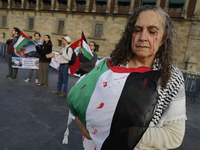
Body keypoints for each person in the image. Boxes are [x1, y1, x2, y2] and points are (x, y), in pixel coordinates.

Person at [64, 5, 187, 150]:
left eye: (152, 31)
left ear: (163, 38)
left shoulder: (171, 78)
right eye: (137, 30)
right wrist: (80, 120)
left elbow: (173, 135)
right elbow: (80, 95)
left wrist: (117, 131)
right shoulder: (109, 64)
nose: (143, 37)